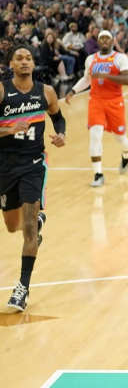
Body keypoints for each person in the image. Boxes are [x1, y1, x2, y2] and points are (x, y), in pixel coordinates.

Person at [1, 44, 66, 311]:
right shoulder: (2, 90)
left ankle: (23, 288)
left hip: (33, 164)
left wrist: (61, 134)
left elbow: (58, 118)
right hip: (5, 166)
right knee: (12, 226)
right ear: (11, 64)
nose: (25, 61)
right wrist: (8, 129)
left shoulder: (46, 92)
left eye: (28, 58)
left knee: (28, 227)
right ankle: (37, 222)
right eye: (19, 58)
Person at [65, 30, 128, 187]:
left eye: (107, 38)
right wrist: (73, 90)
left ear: (112, 41)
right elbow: (86, 80)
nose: (104, 40)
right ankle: (98, 174)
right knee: (95, 136)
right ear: (98, 41)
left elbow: (127, 79)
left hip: (115, 102)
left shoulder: (120, 58)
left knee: (121, 139)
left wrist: (105, 76)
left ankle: (126, 153)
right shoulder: (91, 59)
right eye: (102, 38)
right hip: (96, 101)